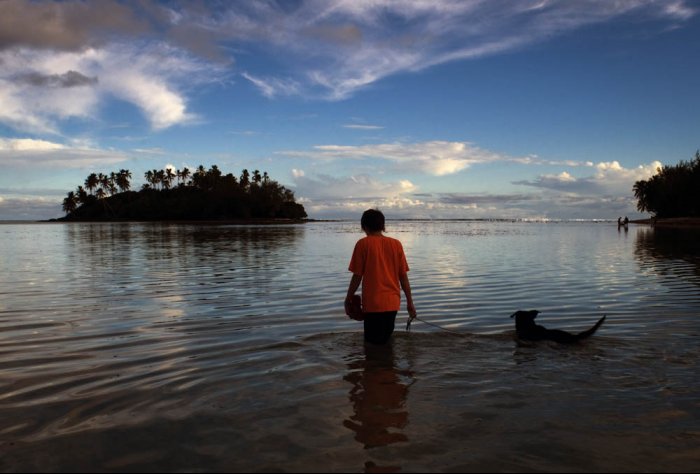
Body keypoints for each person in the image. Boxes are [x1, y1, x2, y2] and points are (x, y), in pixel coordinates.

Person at [345, 209, 417, 344]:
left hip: (373, 304)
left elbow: (357, 276)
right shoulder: (396, 244)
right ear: (383, 226)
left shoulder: (363, 244)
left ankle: (376, 364)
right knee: (385, 341)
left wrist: (348, 297)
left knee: (371, 345)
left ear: (364, 227)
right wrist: (410, 302)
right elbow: (403, 277)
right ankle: (387, 364)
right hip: (392, 303)